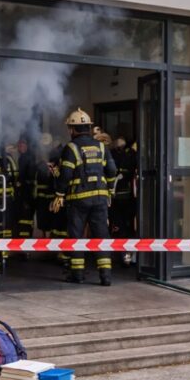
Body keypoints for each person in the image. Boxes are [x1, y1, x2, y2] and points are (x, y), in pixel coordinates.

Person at [50, 108, 117, 285]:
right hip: (100, 199)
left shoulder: (71, 148)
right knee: (101, 235)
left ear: (72, 129)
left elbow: (65, 174)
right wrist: (109, 189)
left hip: (78, 200)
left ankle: (77, 275)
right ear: (88, 127)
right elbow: (112, 171)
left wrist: (59, 194)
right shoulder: (102, 147)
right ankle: (106, 277)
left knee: (76, 237)